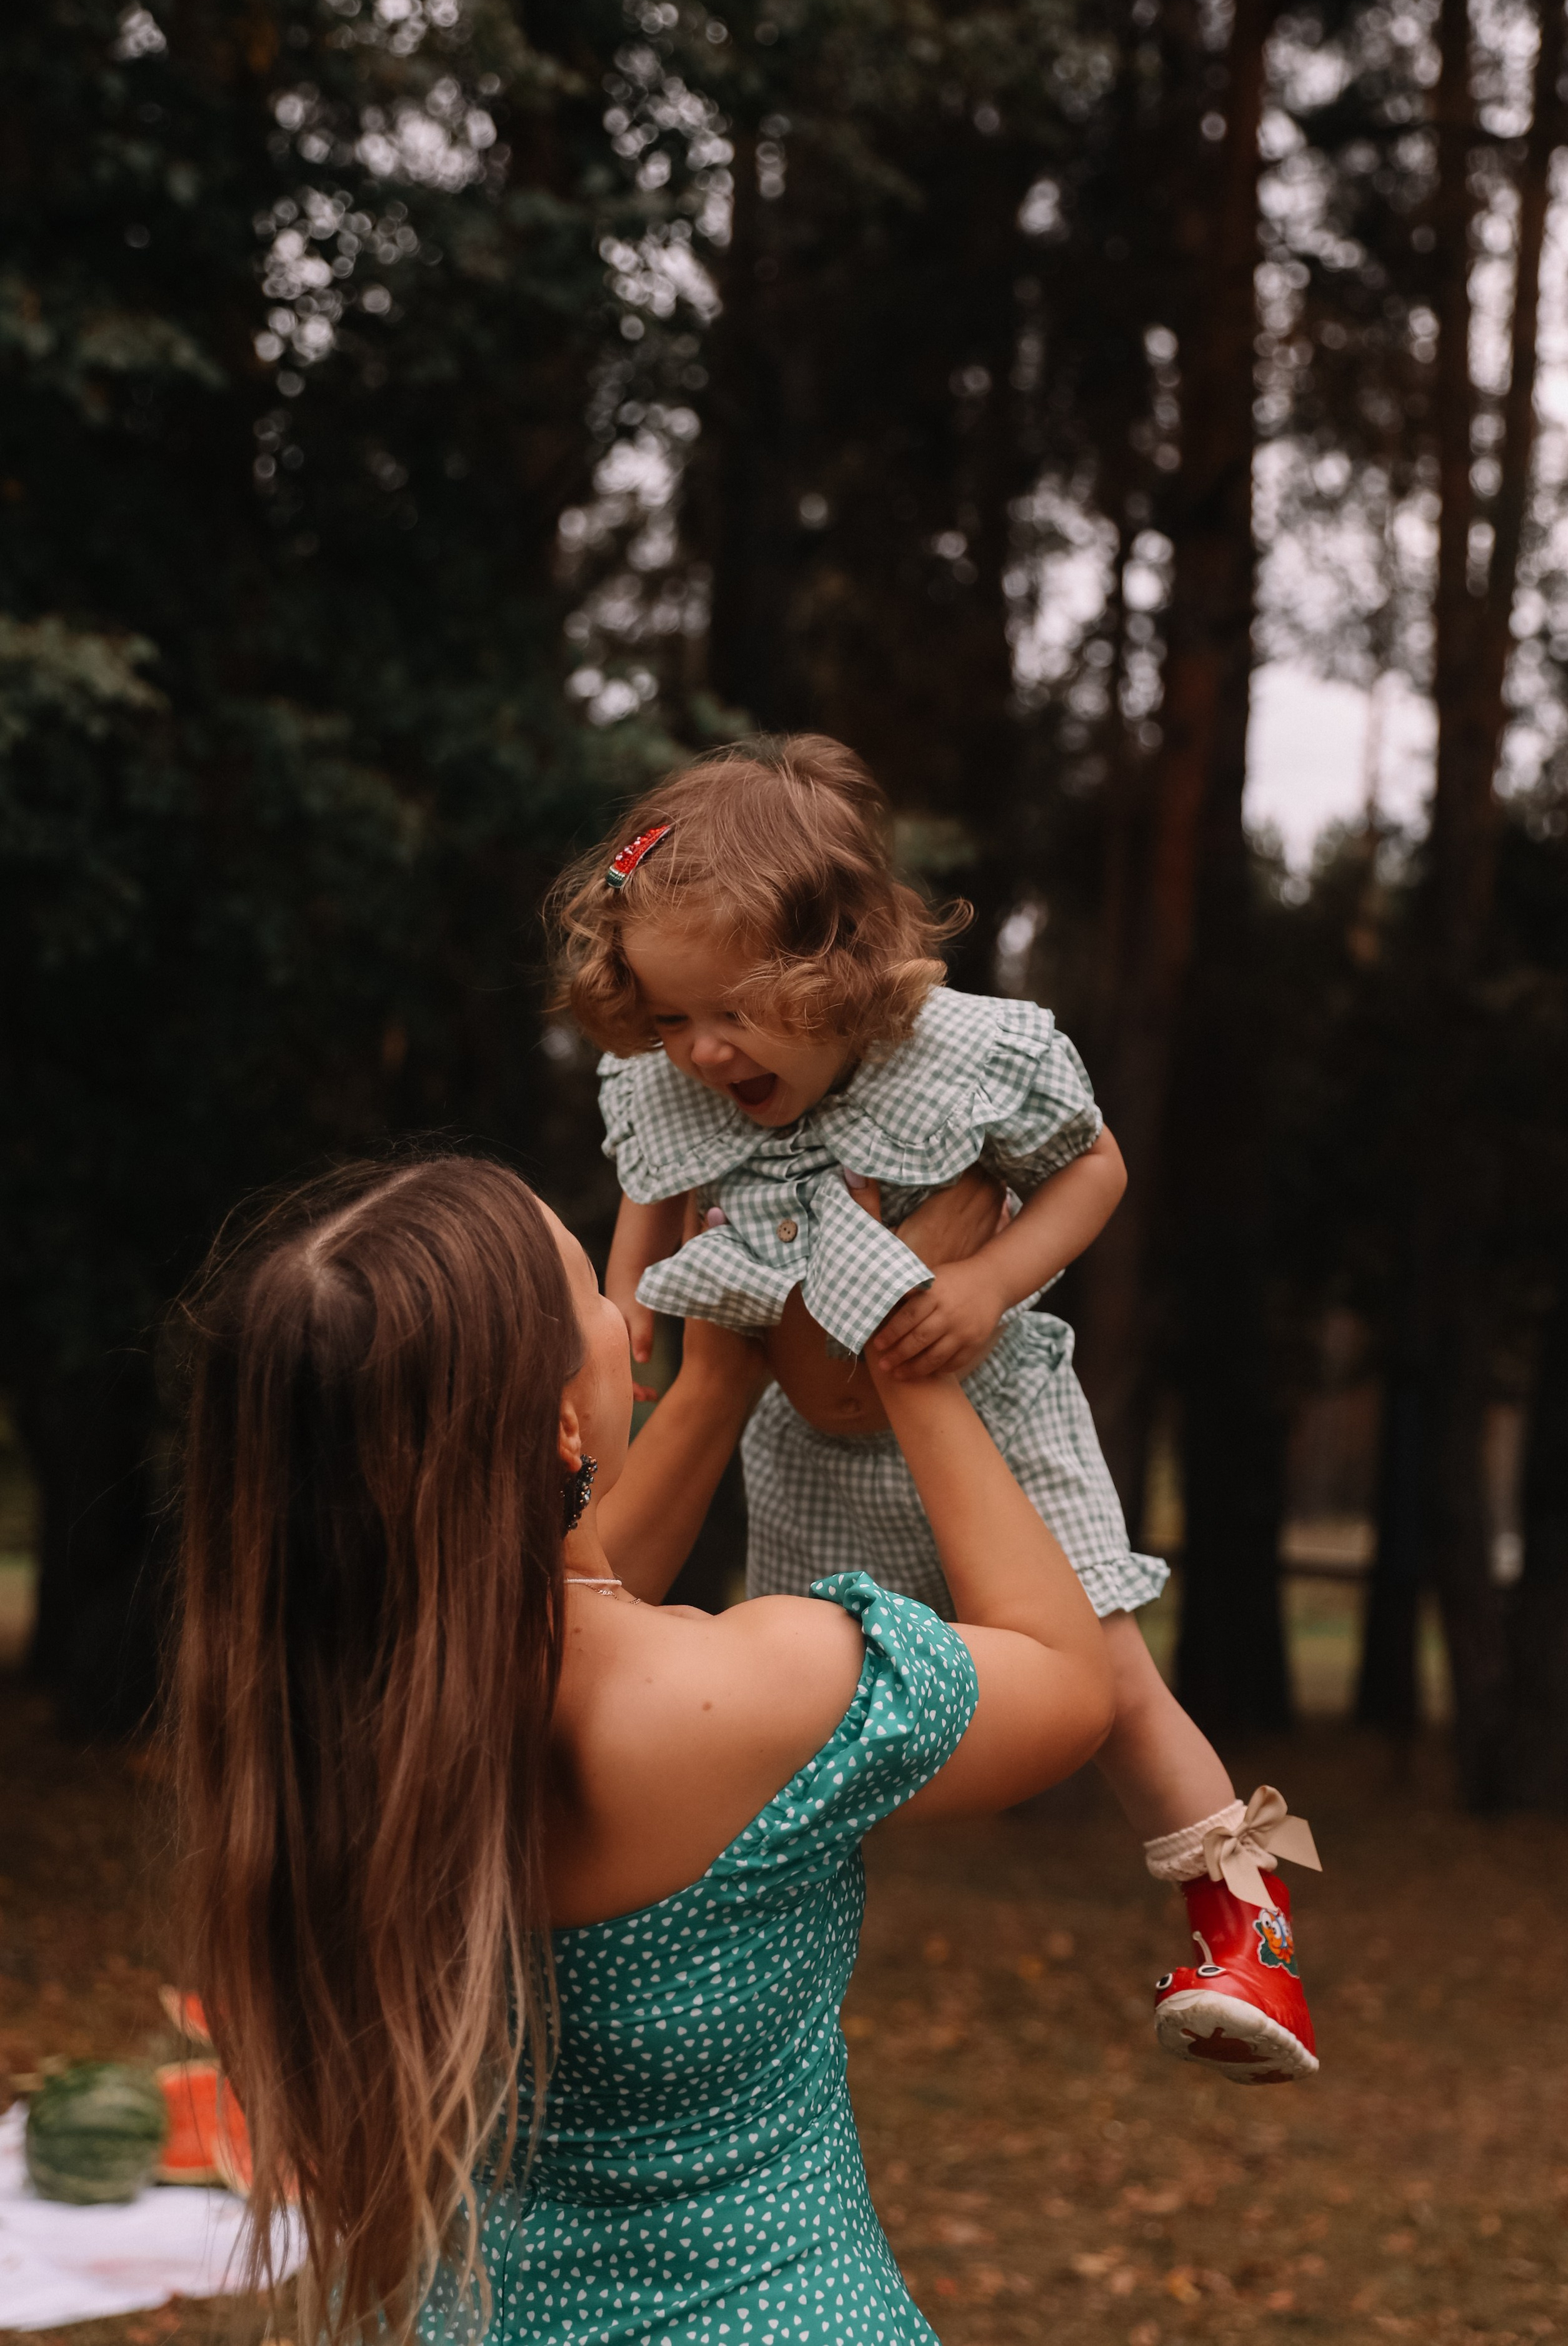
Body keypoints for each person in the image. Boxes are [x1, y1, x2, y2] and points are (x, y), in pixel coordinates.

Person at [174, 1152, 1116, 2344]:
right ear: (561, 1419)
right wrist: (902, 1349)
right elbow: (1068, 1681)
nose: (627, 1319)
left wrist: (714, 1385)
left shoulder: (317, 1743)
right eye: (592, 1292)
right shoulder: (749, 1694)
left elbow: (563, 1585)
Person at [552, 735, 1322, 2087]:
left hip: (991, 1418)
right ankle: (750, 1957)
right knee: (806, 1703)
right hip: (805, 1444)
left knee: (1113, 1679)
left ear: (833, 963)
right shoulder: (678, 1089)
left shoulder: (964, 1058)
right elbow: (652, 1198)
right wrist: (626, 1331)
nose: (699, 1049)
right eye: (667, 1020)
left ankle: (1246, 1935)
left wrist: (985, 1282)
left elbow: (1093, 1169)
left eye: (726, 1009)